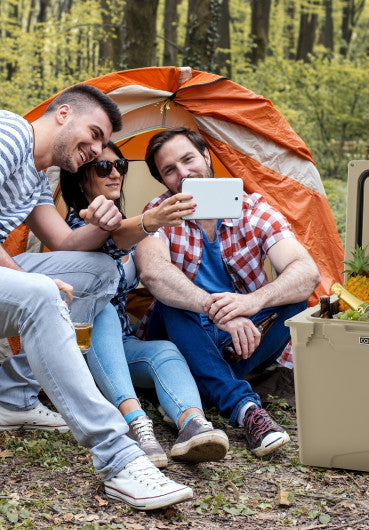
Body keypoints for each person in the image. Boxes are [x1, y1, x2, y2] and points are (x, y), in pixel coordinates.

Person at [0, 85, 192, 510]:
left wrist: (107, 220)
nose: (96, 150)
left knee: (99, 271)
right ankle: (118, 457)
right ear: (63, 114)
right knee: (40, 297)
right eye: (92, 134)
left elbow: (67, 243)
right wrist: (27, 281)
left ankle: (12, 399)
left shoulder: (33, 177)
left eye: (104, 144)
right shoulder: (10, 133)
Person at [134, 127, 321, 457]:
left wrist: (250, 303)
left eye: (188, 159)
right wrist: (212, 307)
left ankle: (201, 389)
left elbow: (306, 272)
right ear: (164, 182)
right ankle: (247, 411)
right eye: (170, 170)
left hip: (237, 338)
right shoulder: (160, 212)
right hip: (183, 330)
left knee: (296, 301)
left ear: (206, 157)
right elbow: (152, 272)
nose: (183, 173)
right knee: (171, 300)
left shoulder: (252, 209)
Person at [59, 141, 229, 466]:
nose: (116, 174)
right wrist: (152, 219)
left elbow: (127, 239)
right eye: (103, 167)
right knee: (102, 308)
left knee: (164, 351)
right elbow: (108, 240)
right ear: (81, 179)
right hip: (79, 346)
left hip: (119, 344)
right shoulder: (73, 230)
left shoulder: (124, 223)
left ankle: (192, 424)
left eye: (120, 166)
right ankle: (136, 423)